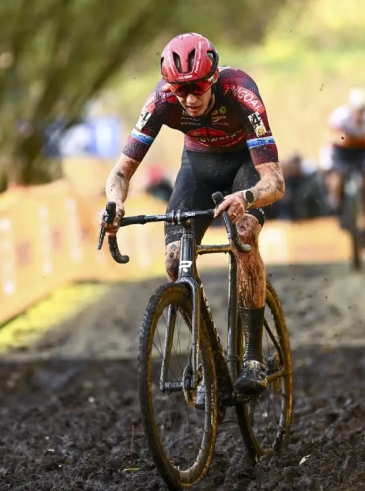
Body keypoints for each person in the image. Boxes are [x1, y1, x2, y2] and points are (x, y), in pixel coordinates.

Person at [99, 32, 285, 398]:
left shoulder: (240, 91)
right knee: (173, 260)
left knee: (244, 232)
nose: (188, 97)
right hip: (198, 168)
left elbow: (275, 182)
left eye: (197, 87)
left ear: (213, 77)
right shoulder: (161, 101)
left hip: (245, 166)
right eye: (179, 89)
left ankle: (252, 358)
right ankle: (209, 359)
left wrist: (246, 197)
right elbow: (121, 172)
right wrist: (115, 204)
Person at [320, 88, 365, 248]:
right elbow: (330, 139)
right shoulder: (340, 116)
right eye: (357, 111)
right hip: (341, 151)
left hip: (361, 152)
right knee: (337, 177)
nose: (360, 115)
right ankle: (337, 202)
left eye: (363, 112)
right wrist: (328, 162)